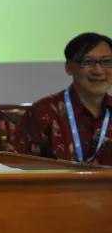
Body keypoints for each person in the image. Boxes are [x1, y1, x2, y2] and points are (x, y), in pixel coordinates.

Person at [7, 33, 112, 165]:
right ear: (68, 67)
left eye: (107, 62)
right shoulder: (44, 112)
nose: (98, 70)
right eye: (88, 62)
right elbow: (15, 165)